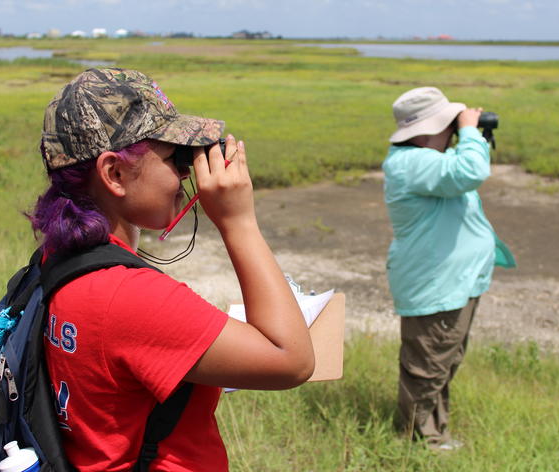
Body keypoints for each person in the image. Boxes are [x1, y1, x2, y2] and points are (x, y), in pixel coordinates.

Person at [29, 68, 314, 471]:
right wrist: (239, 222)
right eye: (173, 157)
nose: (186, 173)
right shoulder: (129, 296)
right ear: (114, 174)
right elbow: (292, 361)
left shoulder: (58, 258)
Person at [382, 87, 514, 450]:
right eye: (450, 124)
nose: (455, 130)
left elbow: (461, 167)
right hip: (436, 286)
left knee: (443, 359)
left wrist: (472, 134)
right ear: (426, 130)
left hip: (453, 283)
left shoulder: (428, 161)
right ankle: (419, 442)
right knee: (427, 365)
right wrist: (470, 130)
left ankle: (431, 432)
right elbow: (469, 170)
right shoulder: (411, 164)